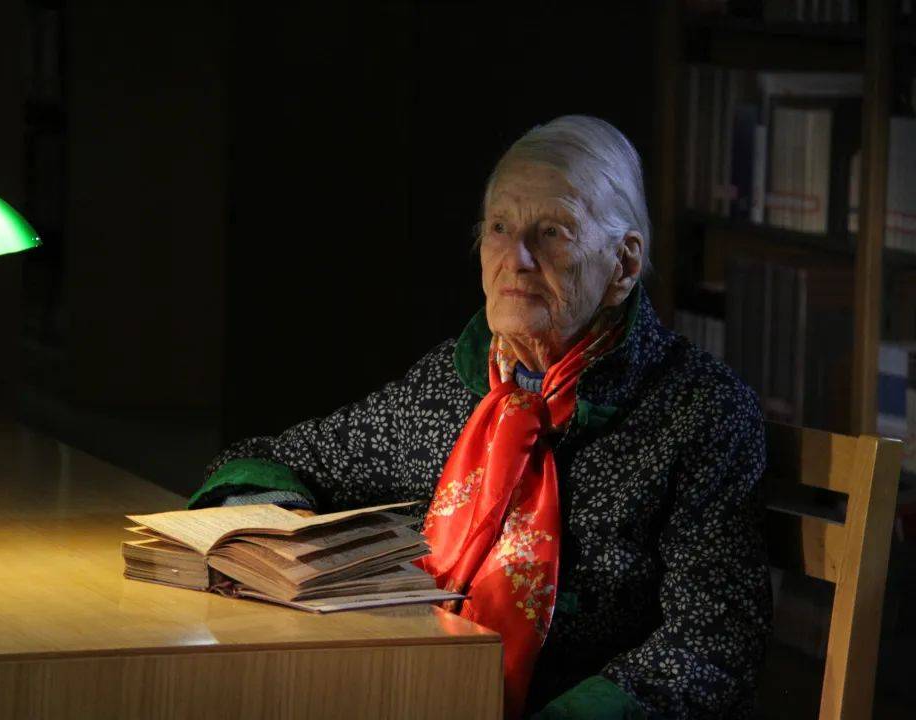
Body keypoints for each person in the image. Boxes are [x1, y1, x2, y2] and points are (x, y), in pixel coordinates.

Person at [190, 115, 772, 720]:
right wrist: (289, 551)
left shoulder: (699, 410)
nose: (515, 258)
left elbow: (711, 646)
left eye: (552, 231)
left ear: (623, 266)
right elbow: (273, 460)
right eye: (499, 227)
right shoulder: (452, 382)